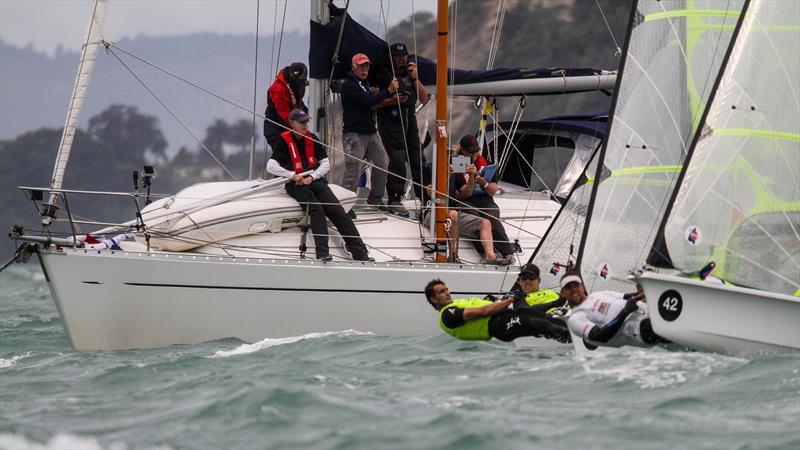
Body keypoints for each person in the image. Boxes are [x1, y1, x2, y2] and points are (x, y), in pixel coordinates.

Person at [267, 109, 373, 262]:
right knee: (317, 211)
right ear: (292, 123)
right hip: (297, 184)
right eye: (301, 122)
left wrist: (312, 176)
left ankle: (361, 255)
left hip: (315, 181)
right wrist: (292, 175)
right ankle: (322, 253)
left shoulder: (312, 138)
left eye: (306, 122)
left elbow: (325, 164)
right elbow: (271, 166)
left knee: (338, 211)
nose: (305, 125)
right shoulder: (283, 141)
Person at [424, 279, 570, 343]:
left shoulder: (456, 303)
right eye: (442, 292)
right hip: (498, 326)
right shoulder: (447, 315)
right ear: (434, 299)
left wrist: (495, 301)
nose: (447, 293)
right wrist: (511, 299)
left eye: (447, 289)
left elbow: (487, 306)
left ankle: (576, 331)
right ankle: (572, 340)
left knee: (542, 317)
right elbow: (482, 312)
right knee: (538, 323)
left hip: (506, 315)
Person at [375, 43, 429, 215]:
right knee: (398, 159)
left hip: (409, 119)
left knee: (418, 158)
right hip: (390, 120)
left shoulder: (410, 74)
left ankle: (425, 198)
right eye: (398, 57)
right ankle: (395, 198)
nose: (401, 60)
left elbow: (424, 98)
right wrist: (392, 100)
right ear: (391, 58)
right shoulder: (383, 74)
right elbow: (374, 102)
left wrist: (414, 78)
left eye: (404, 56)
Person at [340, 53, 398, 207]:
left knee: (382, 163)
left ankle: (375, 199)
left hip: (371, 132)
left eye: (366, 65)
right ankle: (345, 206)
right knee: (353, 170)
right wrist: (389, 91)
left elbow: (371, 102)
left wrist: (377, 96)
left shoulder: (364, 83)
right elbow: (367, 101)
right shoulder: (348, 85)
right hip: (354, 135)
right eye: (360, 65)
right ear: (353, 67)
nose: (364, 68)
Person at [424, 165, 510, 265]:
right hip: (433, 211)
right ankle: (453, 256)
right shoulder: (430, 168)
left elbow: (466, 193)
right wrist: (446, 177)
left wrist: (471, 178)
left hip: (453, 212)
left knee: (485, 223)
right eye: (447, 152)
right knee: (453, 214)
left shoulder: (455, 173)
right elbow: (432, 193)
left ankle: (491, 256)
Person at [560, 270, 669, 348]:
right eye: (569, 288)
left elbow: (629, 296)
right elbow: (600, 336)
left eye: (576, 285)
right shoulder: (575, 318)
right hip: (638, 330)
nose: (574, 290)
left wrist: (644, 289)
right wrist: (625, 312)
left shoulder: (598, 294)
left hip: (648, 312)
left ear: (582, 287)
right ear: (563, 293)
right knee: (662, 323)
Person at [452, 135, 515, 261]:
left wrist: (484, 183)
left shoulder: (483, 163)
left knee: (492, 218)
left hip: (484, 198)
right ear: (463, 151)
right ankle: (488, 253)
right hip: (466, 200)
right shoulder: (457, 163)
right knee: (477, 220)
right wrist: (471, 178)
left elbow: (492, 190)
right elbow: (464, 193)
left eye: (476, 151)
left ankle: (507, 252)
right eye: (471, 152)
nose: (474, 154)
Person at [264, 62, 309, 148]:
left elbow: (298, 103)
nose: (302, 85)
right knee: (287, 155)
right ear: (293, 78)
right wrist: (302, 128)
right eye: (300, 82)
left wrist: (311, 114)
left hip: (293, 121)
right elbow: (285, 116)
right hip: (277, 129)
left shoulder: (298, 84)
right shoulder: (277, 90)